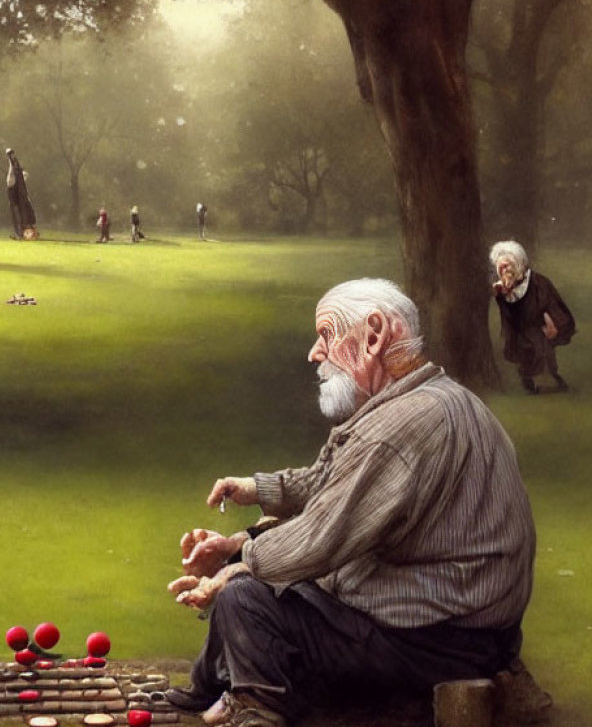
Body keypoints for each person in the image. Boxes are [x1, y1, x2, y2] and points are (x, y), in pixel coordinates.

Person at [165, 278, 537, 727]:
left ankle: (255, 708)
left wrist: (235, 567)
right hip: (460, 629)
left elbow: (320, 538)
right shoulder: (429, 400)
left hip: (439, 642)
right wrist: (253, 498)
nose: (314, 352)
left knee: (247, 599)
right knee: (268, 586)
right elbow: (328, 482)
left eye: (326, 334)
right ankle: (214, 686)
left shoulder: (398, 428)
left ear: (375, 334)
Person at [489, 240, 575, 394]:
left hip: (539, 327)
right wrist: (502, 297)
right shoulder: (502, 288)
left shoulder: (538, 283)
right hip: (519, 330)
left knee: (542, 354)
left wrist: (553, 321)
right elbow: (509, 315)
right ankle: (531, 383)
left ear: (519, 265)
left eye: (507, 266)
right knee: (525, 356)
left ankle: (551, 382)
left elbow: (551, 304)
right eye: (500, 267)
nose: (504, 270)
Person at [6, 148, 38, 240]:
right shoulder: (13, 175)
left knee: (23, 210)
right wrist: (10, 156)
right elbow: (11, 163)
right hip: (13, 189)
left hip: (16, 191)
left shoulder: (19, 178)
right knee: (17, 211)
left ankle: (25, 230)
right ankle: (21, 231)